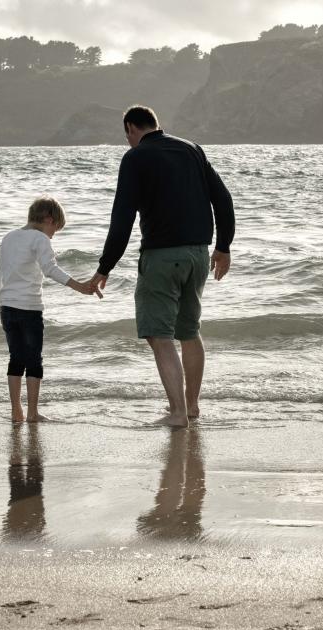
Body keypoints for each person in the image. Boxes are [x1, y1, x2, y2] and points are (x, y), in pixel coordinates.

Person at [90, 105, 235, 428]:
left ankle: (177, 413)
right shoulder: (191, 149)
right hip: (199, 254)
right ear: (156, 124)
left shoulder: (136, 157)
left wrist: (105, 266)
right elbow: (223, 199)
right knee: (189, 331)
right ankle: (193, 407)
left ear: (130, 128)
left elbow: (122, 217)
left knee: (159, 334)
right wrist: (224, 246)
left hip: (161, 256)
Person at [0, 196, 93, 423]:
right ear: (49, 219)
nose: (53, 234)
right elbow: (50, 269)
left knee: (15, 358)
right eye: (56, 228)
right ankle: (33, 413)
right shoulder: (40, 238)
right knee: (34, 360)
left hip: (7, 307)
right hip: (29, 307)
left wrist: (2, 303)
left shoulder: (9, 237)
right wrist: (80, 287)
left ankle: (15, 410)